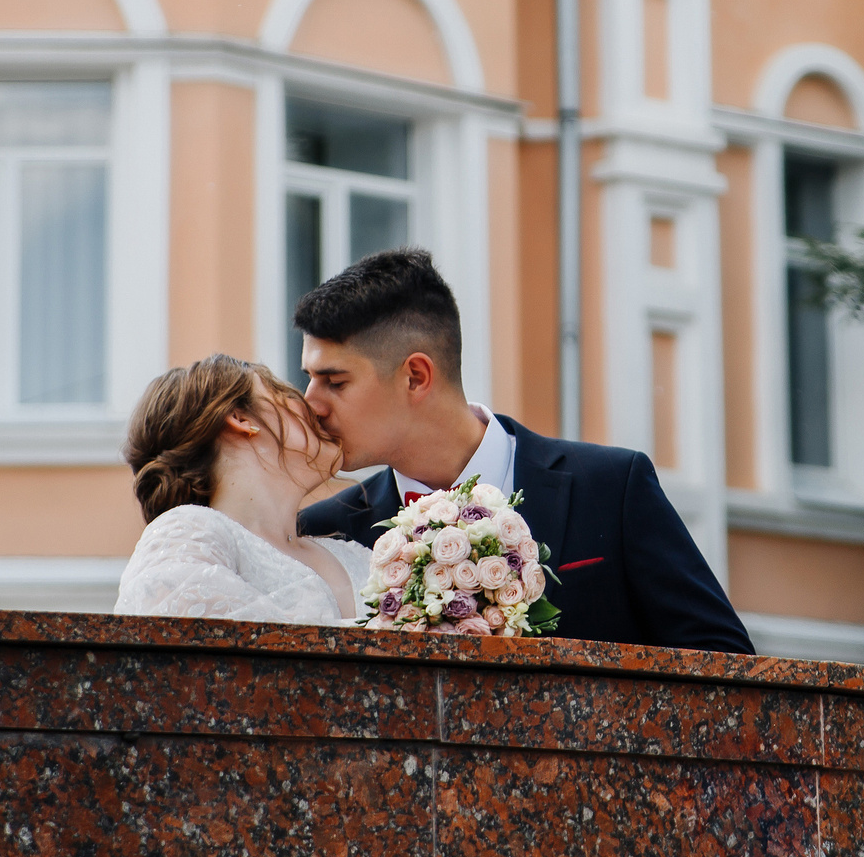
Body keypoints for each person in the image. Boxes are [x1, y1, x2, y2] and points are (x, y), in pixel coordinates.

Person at [295, 249, 754, 653]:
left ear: (416, 376)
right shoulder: (325, 531)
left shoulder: (610, 487)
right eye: (309, 379)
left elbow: (725, 661)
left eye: (334, 382)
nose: (310, 403)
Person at [115, 353, 373, 624]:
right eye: (283, 393)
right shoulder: (189, 531)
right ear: (239, 418)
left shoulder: (351, 554)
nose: (315, 407)